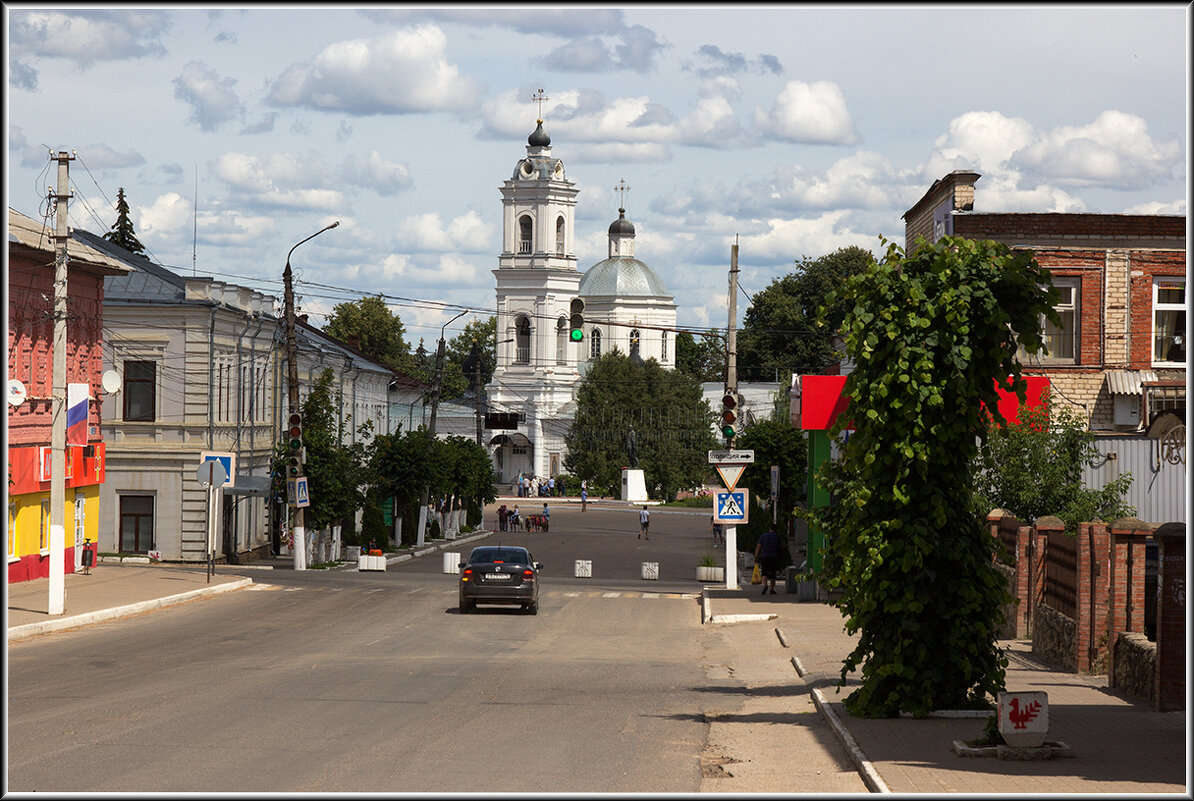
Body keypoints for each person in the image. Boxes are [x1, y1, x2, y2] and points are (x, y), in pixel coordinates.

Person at [754, 524, 782, 595]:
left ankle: (765, 585)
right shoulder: (777, 536)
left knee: (764, 572)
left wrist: (756, 556)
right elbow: (782, 545)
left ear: (769, 528)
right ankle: (772, 589)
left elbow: (758, 546)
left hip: (765, 556)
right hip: (774, 556)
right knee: (773, 573)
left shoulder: (763, 535)